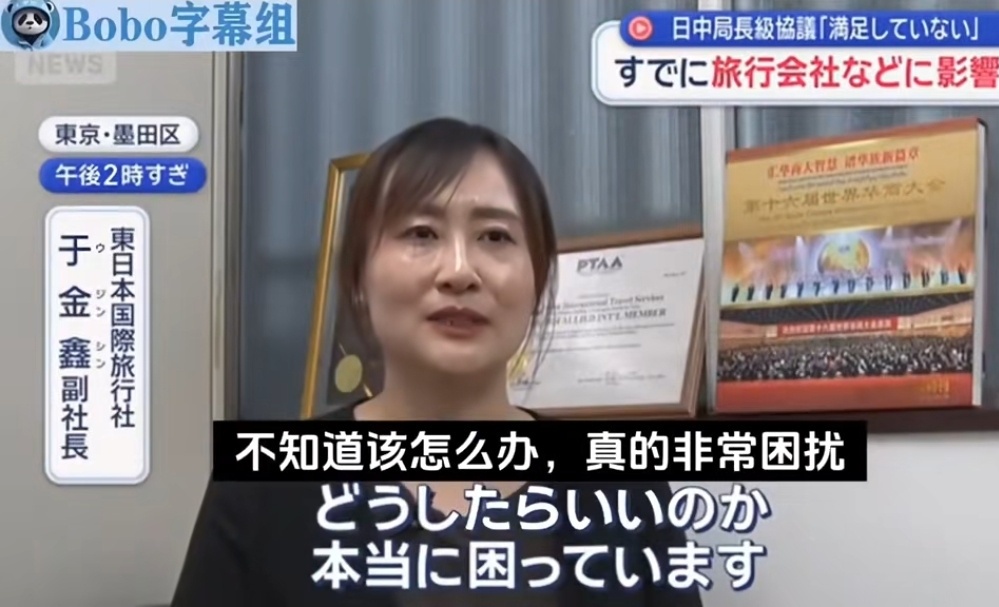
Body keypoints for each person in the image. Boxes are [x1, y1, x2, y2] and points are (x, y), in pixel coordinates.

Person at [171, 118, 703, 607]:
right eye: (421, 233)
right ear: (358, 279)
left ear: (538, 279)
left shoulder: (624, 489)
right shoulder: (261, 488)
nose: (459, 271)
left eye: (495, 237)